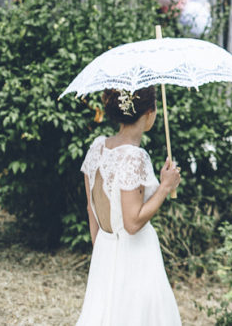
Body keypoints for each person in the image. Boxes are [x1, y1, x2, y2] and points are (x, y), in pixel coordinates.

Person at [77, 87, 182, 325]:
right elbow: (132, 222)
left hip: (104, 247)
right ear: (149, 113)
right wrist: (165, 187)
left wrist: (102, 252)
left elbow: (91, 208)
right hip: (136, 256)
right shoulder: (134, 156)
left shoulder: (97, 148)